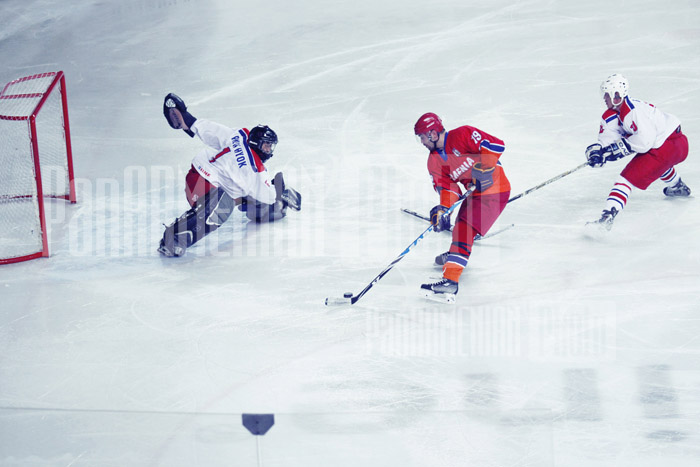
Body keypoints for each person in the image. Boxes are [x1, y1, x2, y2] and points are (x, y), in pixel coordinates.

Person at [158, 93, 301, 257]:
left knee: (247, 202)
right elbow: (269, 197)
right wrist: (282, 192)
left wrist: (189, 121)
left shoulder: (240, 137)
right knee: (224, 206)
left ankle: (183, 231)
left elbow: (212, 131)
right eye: (267, 146)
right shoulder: (256, 170)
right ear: (257, 143)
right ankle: (174, 237)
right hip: (203, 181)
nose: (269, 151)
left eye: (271, 147)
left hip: (199, 177)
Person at [413, 112, 511, 301]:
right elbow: (449, 188)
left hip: (495, 189)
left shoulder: (463, 134)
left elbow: (496, 144)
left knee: (464, 229)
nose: (422, 142)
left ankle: (450, 281)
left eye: (423, 137)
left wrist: (487, 167)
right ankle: (457, 254)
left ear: (433, 134)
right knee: (461, 227)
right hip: (475, 193)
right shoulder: (434, 161)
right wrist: (444, 209)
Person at [585, 74, 690, 230]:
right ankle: (677, 186)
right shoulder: (615, 113)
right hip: (677, 145)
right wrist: (599, 151)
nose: (604, 98)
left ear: (617, 95)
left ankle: (606, 219)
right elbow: (608, 138)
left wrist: (617, 149)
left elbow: (645, 141)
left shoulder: (633, 112)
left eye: (607, 94)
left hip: (668, 145)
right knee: (657, 165)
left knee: (625, 181)